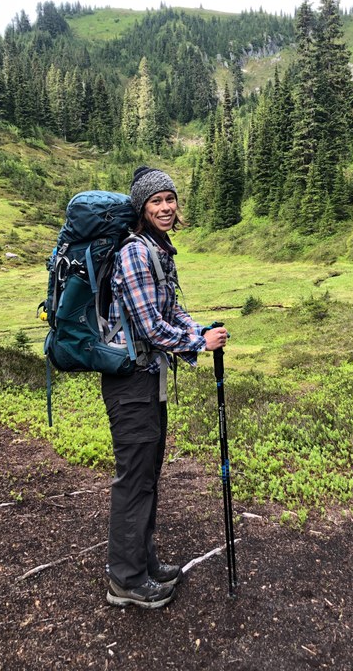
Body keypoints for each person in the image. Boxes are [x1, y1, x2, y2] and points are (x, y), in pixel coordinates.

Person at [101, 165, 228, 609]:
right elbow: (151, 326)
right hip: (130, 381)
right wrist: (198, 342)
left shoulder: (160, 250)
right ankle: (126, 580)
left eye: (170, 198)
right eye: (156, 201)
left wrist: (199, 329)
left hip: (148, 379)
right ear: (141, 208)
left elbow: (171, 311)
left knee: (148, 475)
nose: (167, 207)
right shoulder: (135, 252)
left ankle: (144, 561)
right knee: (135, 480)